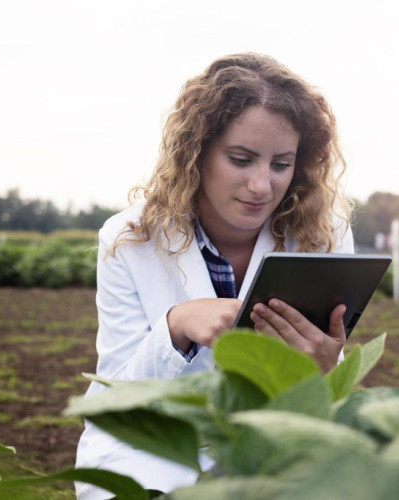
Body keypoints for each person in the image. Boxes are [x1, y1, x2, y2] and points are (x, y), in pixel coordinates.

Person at [75, 52, 355, 499]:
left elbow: (325, 384)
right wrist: (175, 327)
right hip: (154, 449)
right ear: (196, 153)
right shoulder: (129, 240)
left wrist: (324, 370)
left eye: (281, 164)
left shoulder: (324, 234)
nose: (262, 186)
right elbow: (116, 400)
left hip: (270, 446)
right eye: (241, 159)